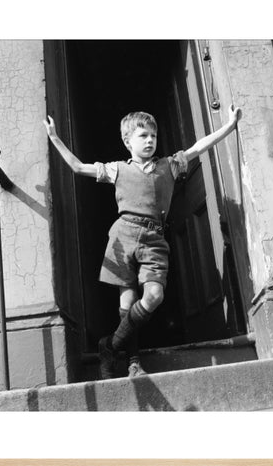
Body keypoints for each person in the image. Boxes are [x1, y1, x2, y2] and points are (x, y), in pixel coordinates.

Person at [43, 104, 240, 380]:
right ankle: (133, 363)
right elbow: (77, 167)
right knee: (127, 304)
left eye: (153, 136)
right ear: (127, 141)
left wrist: (229, 126)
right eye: (143, 136)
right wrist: (54, 137)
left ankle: (109, 346)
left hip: (154, 239)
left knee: (154, 296)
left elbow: (200, 146)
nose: (149, 140)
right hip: (122, 237)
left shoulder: (169, 165)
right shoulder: (117, 170)